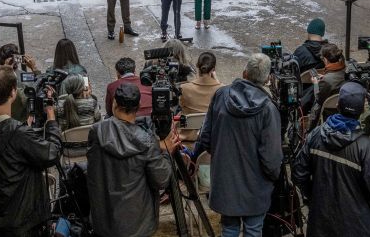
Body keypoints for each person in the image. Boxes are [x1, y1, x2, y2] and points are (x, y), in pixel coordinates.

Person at [0, 65, 63, 237]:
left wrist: (25, 131)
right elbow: (52, 153)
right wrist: (51, 120)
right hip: (23, 224)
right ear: (13, 92)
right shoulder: (18, 134)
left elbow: (2, 145)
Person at [193, 53, 283, 237]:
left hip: (226, 182)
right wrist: (272, 178)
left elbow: (206, 137)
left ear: (244, 73)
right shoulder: (268, 109)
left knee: (229, 229)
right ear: (266, 79)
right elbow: (271, 157)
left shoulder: (220, 95)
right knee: (253, 230)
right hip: (256, 185)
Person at [293, 81, 370, 237]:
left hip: (320, 223)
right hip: (357, 226)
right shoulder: (366, 148)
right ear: (361, 110)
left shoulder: (316, 135)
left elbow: (299, 173)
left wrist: (314, 196)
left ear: (338, 105)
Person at [87, 82, 173, 237]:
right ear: (138, 106)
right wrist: (166, 152)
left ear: (114, 103)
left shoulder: (96, 131)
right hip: (137, 224)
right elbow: (162, 179)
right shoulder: (146, 141)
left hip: (103, 220)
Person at [0, 43, 40, 122]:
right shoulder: (20, 87)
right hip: (18, 121)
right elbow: (38, 85)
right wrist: (34, 69)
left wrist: (5, 69)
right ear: (13, 92)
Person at [307, 43, 346, 128]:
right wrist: (325, 77)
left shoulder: (327, 80)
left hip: (329, 114)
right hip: (343, 110)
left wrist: (316, 84)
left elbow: (318, 98)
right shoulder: (345, 70)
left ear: (325, 59)